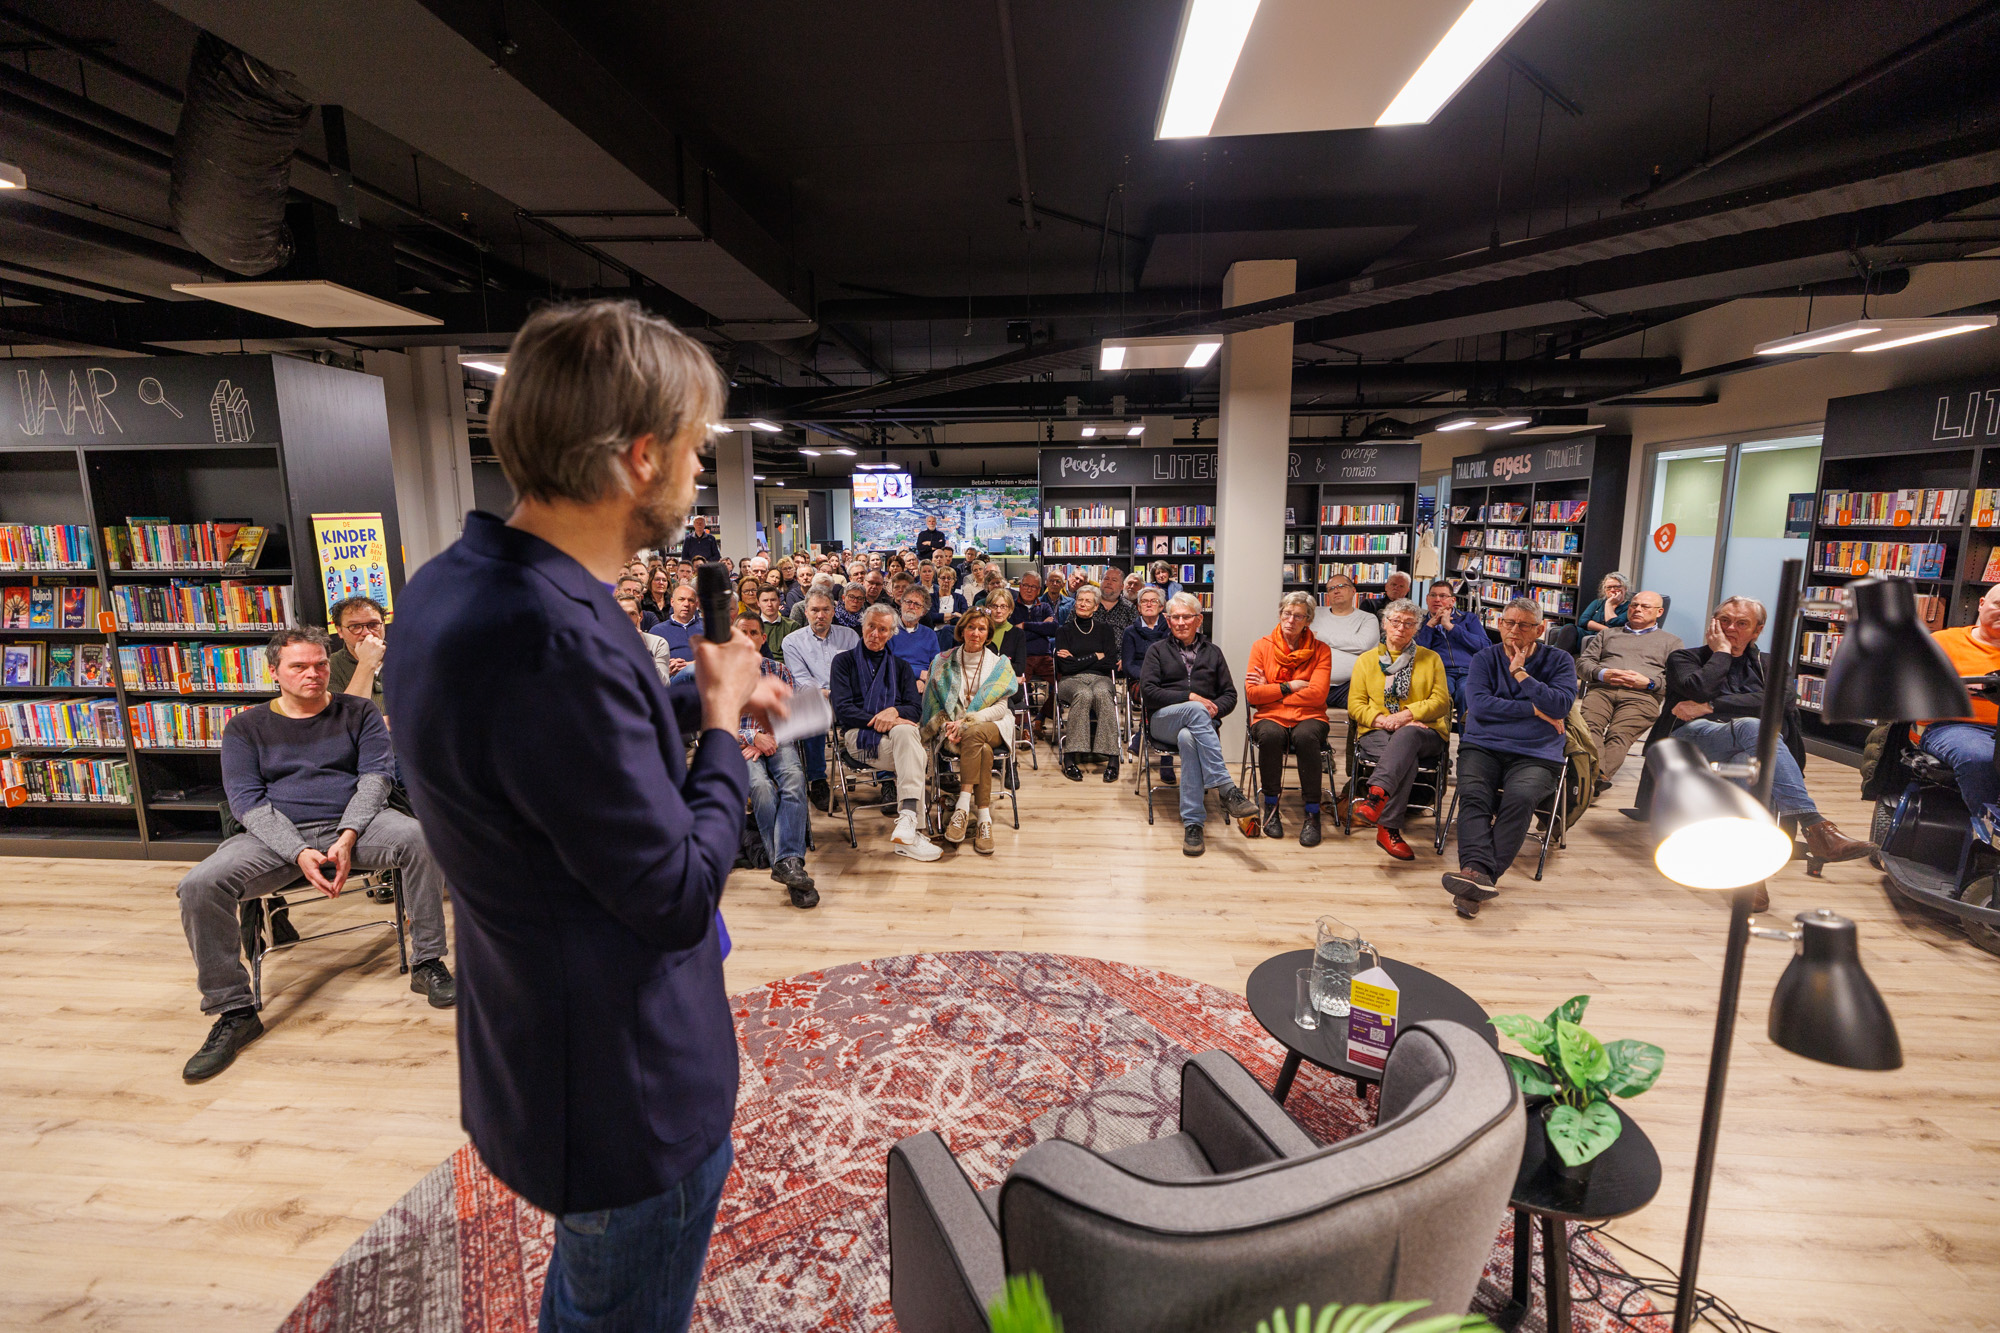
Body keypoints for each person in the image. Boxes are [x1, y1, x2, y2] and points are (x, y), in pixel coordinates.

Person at [388, 300, 789, 1331]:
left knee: (595, 1294)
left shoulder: (452, 588)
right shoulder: (558, 638)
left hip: (536, 1040)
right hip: (622, 1084)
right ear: (641, 457)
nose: (700, 468)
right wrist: (716, 726)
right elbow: (675, 893)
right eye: (695, 447)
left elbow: (547, 764)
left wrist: (688, 704)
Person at [177, 627, 454, 1083]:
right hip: (275, 836)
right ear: (274, 672)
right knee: (199, 885)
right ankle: (233, 1011)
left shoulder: (359, 711)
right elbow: (247, 803)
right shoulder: (245, 727)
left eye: (320, 664)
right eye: (299, 666)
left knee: (421, 838)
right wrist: (299, 850)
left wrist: (347, 836)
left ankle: (427, 963)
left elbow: (376, 780)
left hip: (357, 825)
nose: (313, 673)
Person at [1643, 596, 1873, 873]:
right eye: (1724, 621)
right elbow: (1699, 688)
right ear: (1713, 624)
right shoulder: (1685, 658)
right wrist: (1722, 653)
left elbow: (1781, 700)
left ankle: (1748, 872)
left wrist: (1712, 705)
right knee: (1754, 727)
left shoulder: (1771, 663)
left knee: (1746, 761)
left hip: (1751, 744)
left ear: (1757, 630)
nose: (1730, 628)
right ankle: (1815, 826)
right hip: (1695, 738)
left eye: (1742, 623)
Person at [1445, 598, 1577, 918]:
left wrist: (1520, 674)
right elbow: (1479, 706)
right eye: (1508, 623)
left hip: (1536, 752)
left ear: (1540, 630)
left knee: (1520, 797)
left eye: (1524, 625)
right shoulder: (1485, 658)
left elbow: (1560, 706)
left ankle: (1477, 873)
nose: (1514, 630)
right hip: (1483, 745)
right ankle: (1480, 877)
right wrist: (1534, 709)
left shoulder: (1559, 660)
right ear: (1499, 624)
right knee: (1474, 793)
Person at [1141, 592, 1261, 856]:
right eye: (1175, 617)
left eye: (1186, 617)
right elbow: (1148, 693)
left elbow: (1230, 694)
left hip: (1199, 725)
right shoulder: (1156, 651)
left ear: (1198, 620)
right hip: (1163, 721)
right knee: (1195, 709)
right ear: (1167, 620)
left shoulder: (1213, 652)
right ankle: (1226, 788)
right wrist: (1190, 698)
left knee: (1188, 738)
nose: (1180, 622)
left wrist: (1215, 708)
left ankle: (1193, 824)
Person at [831, 604, 940, 862]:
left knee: (905, 732)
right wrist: (884, 719)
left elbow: (914, 709)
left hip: (896, 738)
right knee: (916, 754)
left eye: (883, 629)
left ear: (891, 634)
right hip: (858, 737)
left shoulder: (901, 667)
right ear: (862, 627)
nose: (875, 634)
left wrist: (894, 712)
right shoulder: (843, 662)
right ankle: (911, 826)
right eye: (871, 626)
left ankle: (907, 824)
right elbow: (844, 709)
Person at [1348, 599, 1453, 861]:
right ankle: (1388, 828)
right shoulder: (1366, 661)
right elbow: (1355, 705)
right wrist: (1387, 721)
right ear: (1384, 624)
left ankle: (1376, 798)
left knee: (1408, 736)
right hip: (1377, 730)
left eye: (1408, 623)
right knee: (1405, 754)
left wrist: (1406, 716)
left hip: (1425, 732)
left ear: (1416, 628)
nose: (1401, 628)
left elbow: (1441, 702)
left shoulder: (1431, 659)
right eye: (1395, 621)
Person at [731, 614, 818, 908]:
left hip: (777, 739)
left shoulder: (778, 670)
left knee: (793, 780)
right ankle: (790, 867)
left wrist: (768, 736)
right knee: (762, 788)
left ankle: (785, 863)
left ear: (762, 638)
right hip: (740, 746)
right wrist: (752, 736)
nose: (748, 638)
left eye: (753, 633)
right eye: (742, 632)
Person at [921, 608, 1016, 855]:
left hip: (994, 725)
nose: (975, 633)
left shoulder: (1000, 664)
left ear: (988, 634)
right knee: (981, 748)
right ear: (961, 630)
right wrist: (948, 726)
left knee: (975, 734)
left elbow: (1001, 708)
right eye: (971, 627)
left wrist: (969, 721)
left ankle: (962, 807)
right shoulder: (942, 661)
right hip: (953, 729)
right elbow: (935, 706)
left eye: (981, 629)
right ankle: (984, 818)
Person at [1245, 591, 1334, 845]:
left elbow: (1317, 695)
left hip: (1311, 716)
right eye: (1286, 614)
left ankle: (1312, 813)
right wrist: (1289, 686)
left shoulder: (1321, 650)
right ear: (1280, 614)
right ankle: (1271, 806)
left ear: (1308, 620)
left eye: (1298, 616)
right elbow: (1253, 695)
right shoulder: (1261, 646)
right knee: (1271, 736)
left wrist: (1271, 691)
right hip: (1269, 717)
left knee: (1306, 737)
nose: (1291, 620)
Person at [1575, 590, 1682, 793]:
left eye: (1645, 606)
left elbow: (1675, 681)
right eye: (1634, 605)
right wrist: (1602, 674)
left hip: (1642, 697)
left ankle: (1589, 779)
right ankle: (1596, 778)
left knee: (1619, 734)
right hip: (1602, 690)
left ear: (1659, 612)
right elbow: (1582, 664)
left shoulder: (1672, 642)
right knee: (1589, 727)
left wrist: (1649, 683)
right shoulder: (1608, 634)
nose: (1637, 609)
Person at [1916, 583, 2000, 818]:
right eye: (1998, 605)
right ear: (1981, 604)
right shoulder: (1943, 642)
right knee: (1981, 758)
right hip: (1953, 727)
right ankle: (1986, 826)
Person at [781, 590, 858, 812]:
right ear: (806, 612)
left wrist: (844, 694)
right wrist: (831, 694)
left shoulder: (850, 636)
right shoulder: (792, 642)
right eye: (815, 610)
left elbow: (858, 672)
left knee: (878, 707)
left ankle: (885, 778)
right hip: (819, 698)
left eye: (825, 610)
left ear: (834, 611)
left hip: (849, 698)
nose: (820, 615)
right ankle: (817, 781)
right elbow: (802, 680)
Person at [1055, 584, 1122, 783]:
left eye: (1088, 601)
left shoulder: (1105, 630)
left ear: (1096, 606)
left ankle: (1113, 758)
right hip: (1070, 680)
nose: (1082, 604)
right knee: (1083, 694)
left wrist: (1076, 659)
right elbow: (1065, 667)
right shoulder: (1064, 631)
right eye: (1080, 600)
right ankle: (1070, 757)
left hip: (1101, 678)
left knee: (1102, 693)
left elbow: (1110, 663)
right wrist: (1095, 656)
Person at [1311, 571, 1381, 710]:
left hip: (1349, 686)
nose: (1336, 591)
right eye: (1331, 588)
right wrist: (1348, 644)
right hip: (1312, 683)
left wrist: (1319, 636)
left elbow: (1363, 645)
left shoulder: (1368, 618)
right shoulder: (1315, 613)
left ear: (1353, 591)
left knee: (1370, 706)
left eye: (1341, 586)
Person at [1416, 580, 1488, 704]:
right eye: (1433, 595)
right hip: (1440, 671)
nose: (1437, 599)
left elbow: (1484, 646)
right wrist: (1430, 626)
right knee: (1443, 694)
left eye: (1443, 596)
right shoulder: (1419, 623)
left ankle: (1465, 718)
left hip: (1468, 670)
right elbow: (1418, 653)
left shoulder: (1468, 618)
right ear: (1427, 599)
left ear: (1452, 600)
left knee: (1466, 692)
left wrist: (1450, 627)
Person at [327, 593, 390, 722]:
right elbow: (346, 720)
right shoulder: (329, 666)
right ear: (339, 631)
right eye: (355, 626)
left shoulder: (408, 656)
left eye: (373, 624)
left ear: (383, 625)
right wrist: (367, 662)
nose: (366, 632)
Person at [618, 592, 681, 683]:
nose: (627, 619)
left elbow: (663, 683)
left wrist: (643, 649)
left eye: (632, 614)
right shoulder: (603, 641)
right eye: (621, 613)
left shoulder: (658, 643)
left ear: (641, 616)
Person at [890, 587, 942, 685]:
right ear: (901, 604)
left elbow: (936, 665)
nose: (911, 606)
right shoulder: (889, 630)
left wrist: (922, 682)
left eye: (917, 604)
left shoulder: (930, 634)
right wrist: (917, 674)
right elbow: (887, 663)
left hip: (924, 682)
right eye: (908, 602)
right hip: (896, 679)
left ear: (924, 612)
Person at [652, 582, 704, 664]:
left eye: (690, 600)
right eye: (681, 599)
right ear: (672, 602)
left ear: (696, 604)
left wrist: (690, 664)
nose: (686, 604)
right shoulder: (657, 631)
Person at [1580, 571, 1631, 639]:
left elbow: (1615, 625)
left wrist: (1609, 604)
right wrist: (1606, 629)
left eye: (1616, 587)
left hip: (1611, 639)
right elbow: (1582, 621)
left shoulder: (1630, 607)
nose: (1612, 590)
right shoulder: (1597, 603)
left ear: (1625, 588)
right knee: (1569, 627)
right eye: (1609, 587)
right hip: (1589, 635)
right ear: (1604, 590)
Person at [1094, 565, 1138, 639]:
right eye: (1106, 579)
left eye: (1114, 580)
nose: (1109, 582)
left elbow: (1135, 636)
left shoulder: (1129, 608)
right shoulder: (1089, 602)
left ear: (1122, 587)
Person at [755, 586, 799, 660]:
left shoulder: (792, 625)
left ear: (779, 601)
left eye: (773, 600)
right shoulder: (753, 627)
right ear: (758, 603)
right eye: (765, 601)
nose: (769, 604)